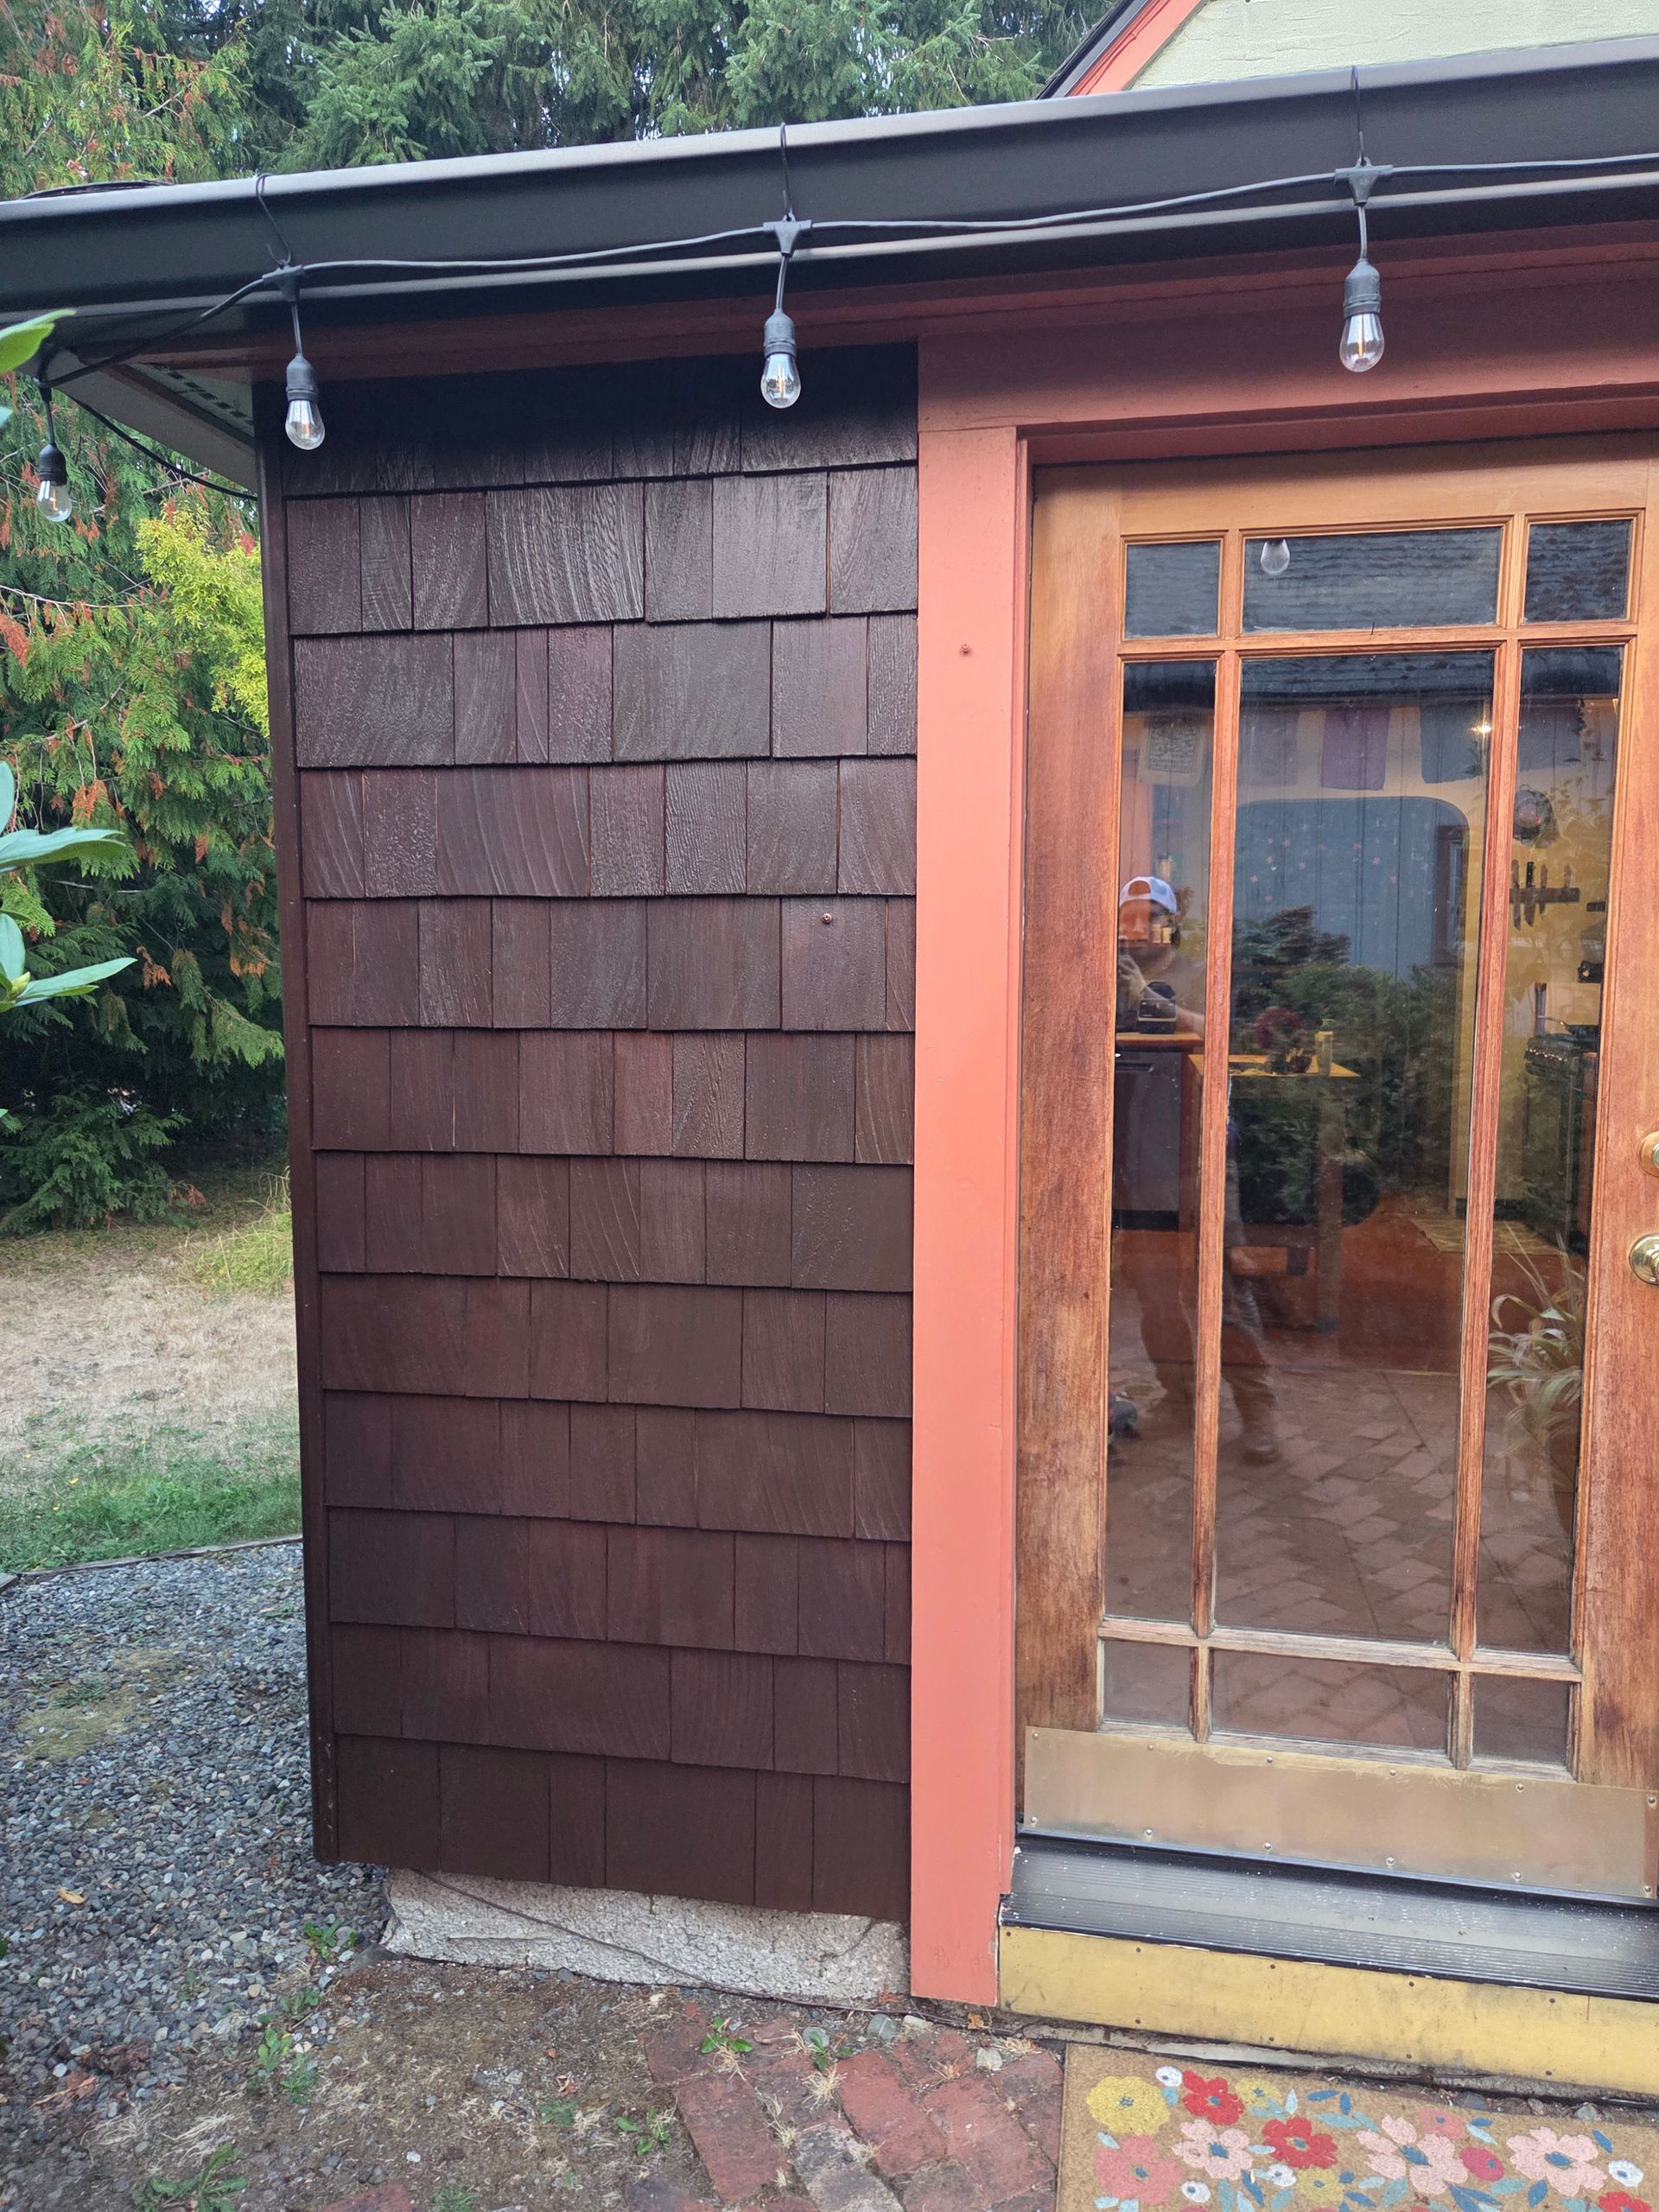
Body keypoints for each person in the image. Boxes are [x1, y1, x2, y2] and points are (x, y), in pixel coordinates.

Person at [1112, 875, 1281, 1464]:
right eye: (1128, 917)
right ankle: (1180, 1400)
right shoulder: (1104, 976)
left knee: (1222, 1289)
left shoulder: (1196, 971)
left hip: (1198, 1158)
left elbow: (1223, 1034)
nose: (1137, 928)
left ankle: (1257, 1410)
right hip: (1133, 1162)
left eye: (1149, 916)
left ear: (1171, 922)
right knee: (1154, 1294)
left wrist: (1150, 1000)